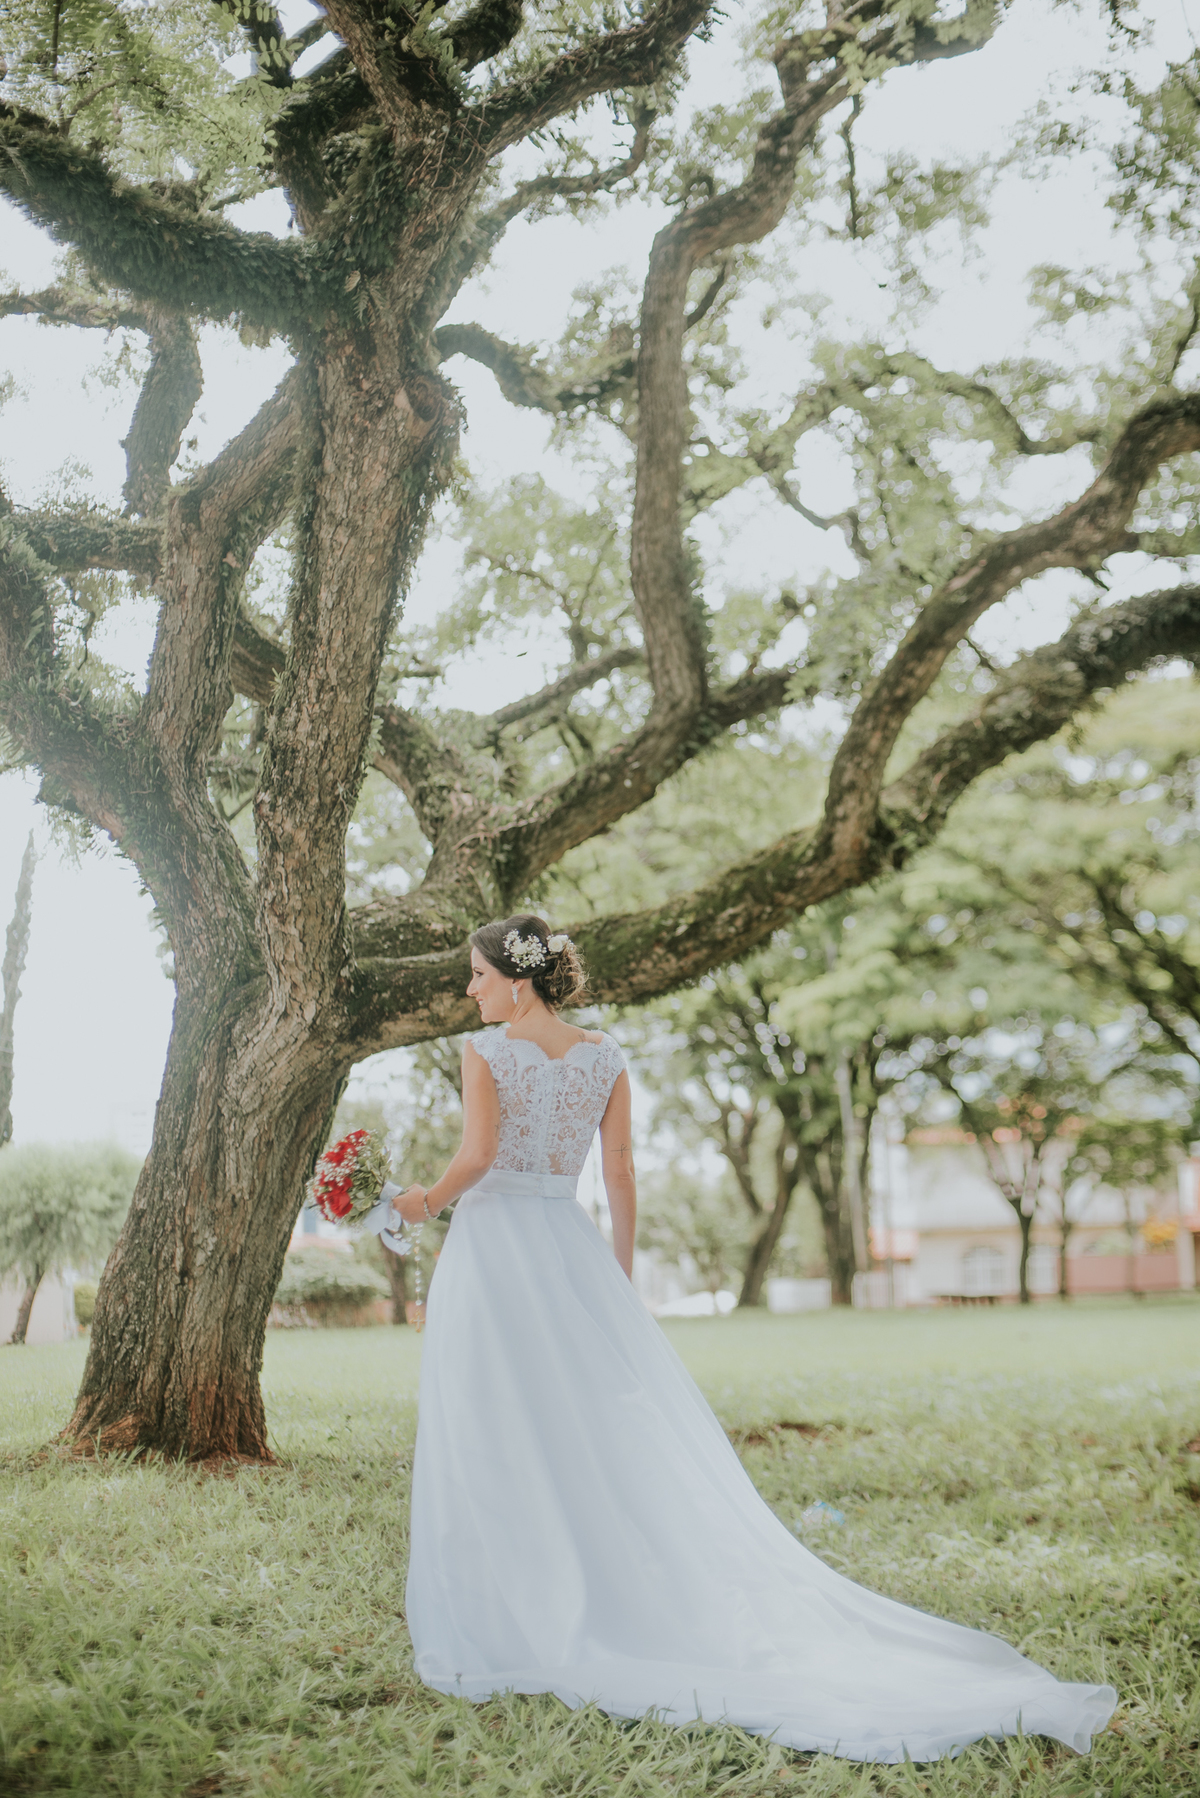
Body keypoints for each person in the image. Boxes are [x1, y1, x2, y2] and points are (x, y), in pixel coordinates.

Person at [390, 914, 1116, 1764]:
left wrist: (419, 1202)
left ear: (515, 981)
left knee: (494, 1422)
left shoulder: (487, 1055)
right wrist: (617, 1277)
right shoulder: (604, 1056)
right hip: (568, 1246)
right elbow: (619, 1172)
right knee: (582, 1424)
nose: (468, 989)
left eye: (475, 975)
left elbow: (477, 1158)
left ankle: (517, 1602)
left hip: (495, 1249)